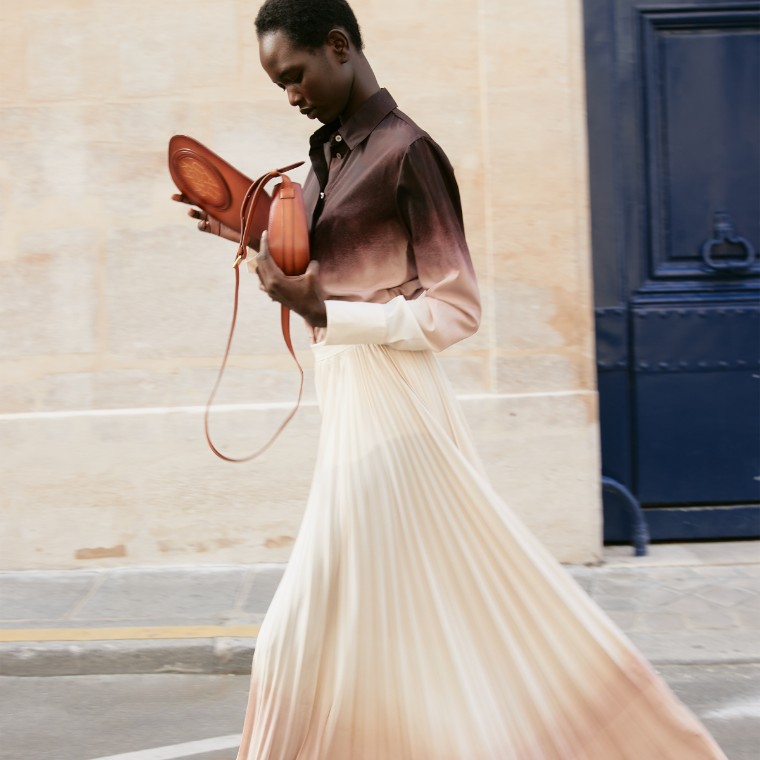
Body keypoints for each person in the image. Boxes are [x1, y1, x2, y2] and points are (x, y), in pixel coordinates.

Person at [175, 1, 728, 757]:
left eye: (295, 75)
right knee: (418, 635)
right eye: (280, 85)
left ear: (339, 46)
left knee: (298, 637)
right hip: (352, 416)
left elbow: (456, 311)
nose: (291, 95)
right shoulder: (324, 160)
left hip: (395, 418)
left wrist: (330, 313)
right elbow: (325, 264)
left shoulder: (408, 153)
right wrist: (244, 228)